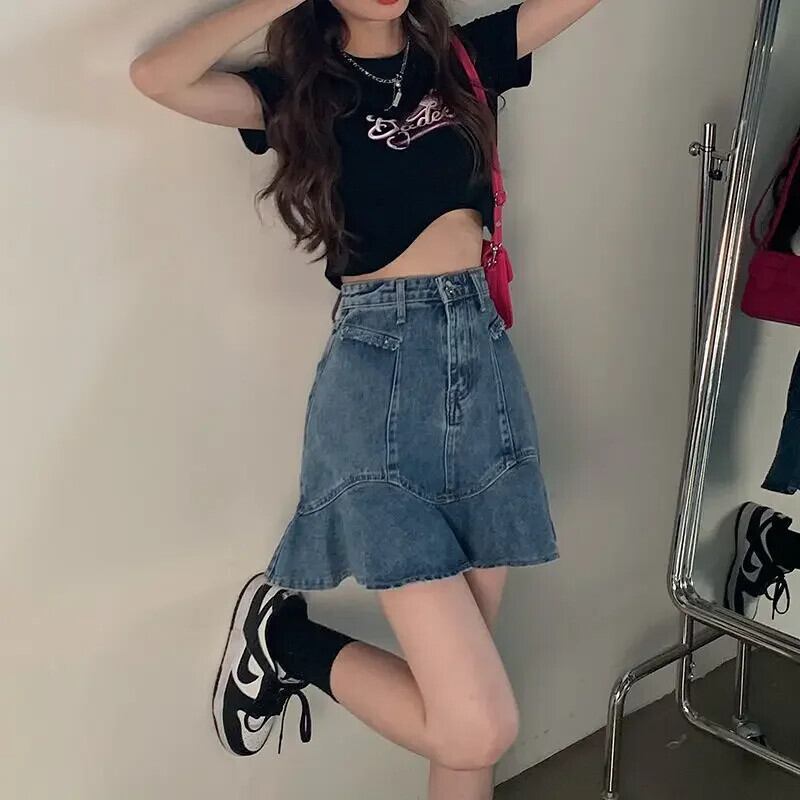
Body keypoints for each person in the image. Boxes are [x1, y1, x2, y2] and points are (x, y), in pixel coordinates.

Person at [130, 0, 601, 796]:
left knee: (464, 718)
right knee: (476, 722)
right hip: (377, 384)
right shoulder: (299, 90)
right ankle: (287, 645)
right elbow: (157, 77)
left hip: (484, 370)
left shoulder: (465, 58)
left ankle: (288, 646)